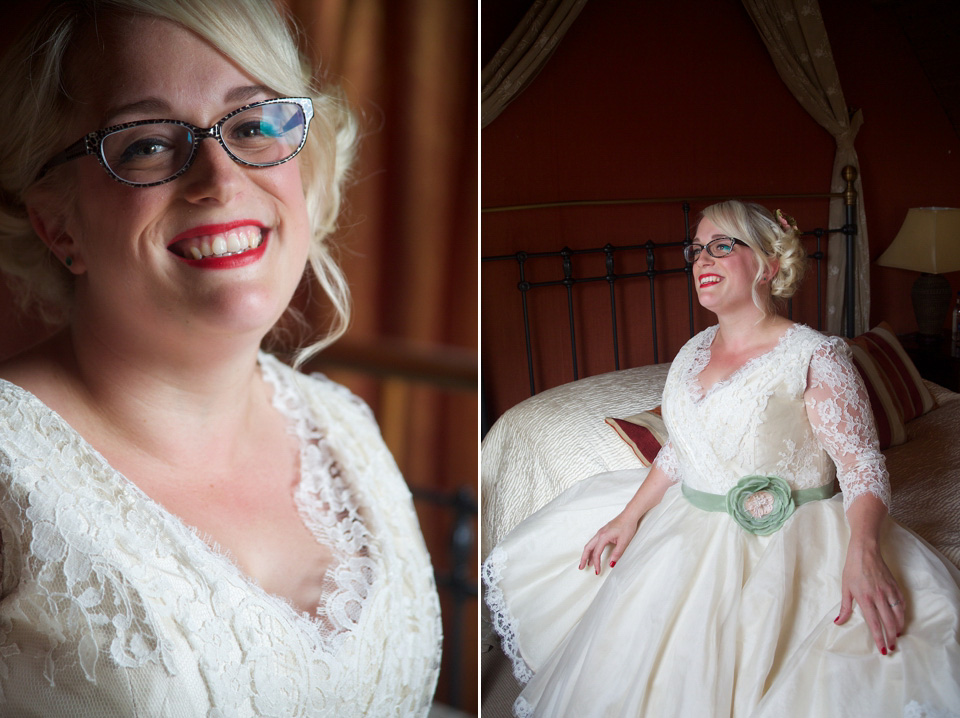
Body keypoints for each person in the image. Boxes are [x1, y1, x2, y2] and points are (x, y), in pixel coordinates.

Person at [0, 1, 441, 715]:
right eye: (146, 143)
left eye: (255, 125)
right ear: (58, 224)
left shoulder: (344, 428)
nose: (220, 179)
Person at [482, 201, 960, 717]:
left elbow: (862, 465)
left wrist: (864, 551)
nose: (702, 260)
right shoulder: (692, 352)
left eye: (722, 246)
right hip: (689, 532)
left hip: (798, 543)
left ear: (769, 264)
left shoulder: (815, 355)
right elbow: (683, 448)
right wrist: (628, 515)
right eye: (697, 249)